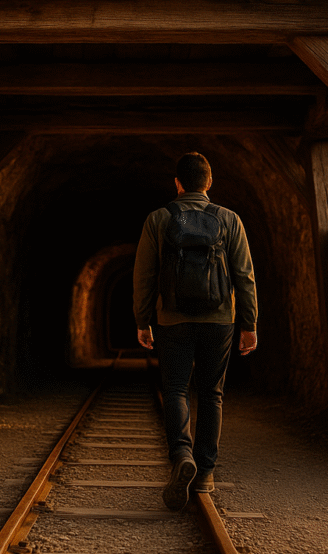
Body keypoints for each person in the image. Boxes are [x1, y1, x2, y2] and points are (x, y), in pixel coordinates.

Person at [132, 152, 258, 511]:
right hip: (219, 320)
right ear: (209, 182)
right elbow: (244, 276)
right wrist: (249, 324)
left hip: (171, 319)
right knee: (211, 393)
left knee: (175, 388)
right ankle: (205, 472)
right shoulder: (229, 219)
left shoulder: (158, 219)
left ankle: (181, 455)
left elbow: (143, 276)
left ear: (177, 183)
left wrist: (143, 320)